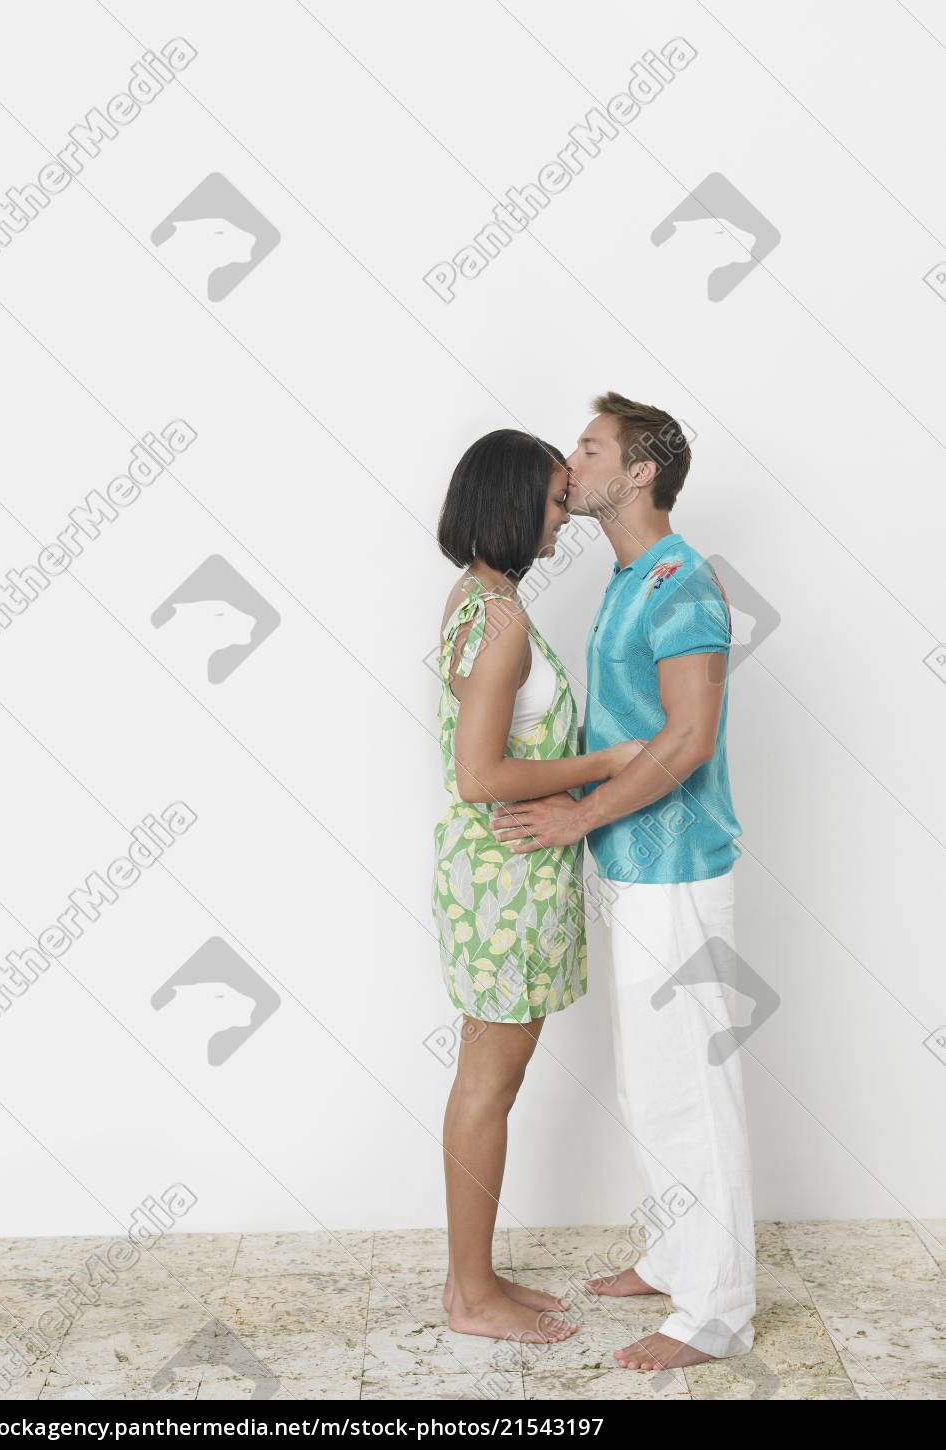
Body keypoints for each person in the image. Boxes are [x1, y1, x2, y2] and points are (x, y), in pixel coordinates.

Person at [491, 392, 756, 1372]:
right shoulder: (628, 575)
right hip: (631, 869)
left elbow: (686, 740)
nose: (572, 461)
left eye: (590, 447)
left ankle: (717, 1310)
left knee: (693, 1085)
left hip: (677, 867)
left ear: (639, 471)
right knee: (652, 1084)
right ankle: (676, 1252)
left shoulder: (683, 583)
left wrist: (574, 814)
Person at [434, 429, 644, 1343]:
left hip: (503, 874)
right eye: (558, 500)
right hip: (504, 881)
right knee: (489, 1085)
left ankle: (473, 1281)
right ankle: (471, 1296)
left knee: (491, 1080)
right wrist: (604, 762)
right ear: (515, 501)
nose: (567, 517)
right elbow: (478, 774)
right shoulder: (501, 619)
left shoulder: (481, 598)